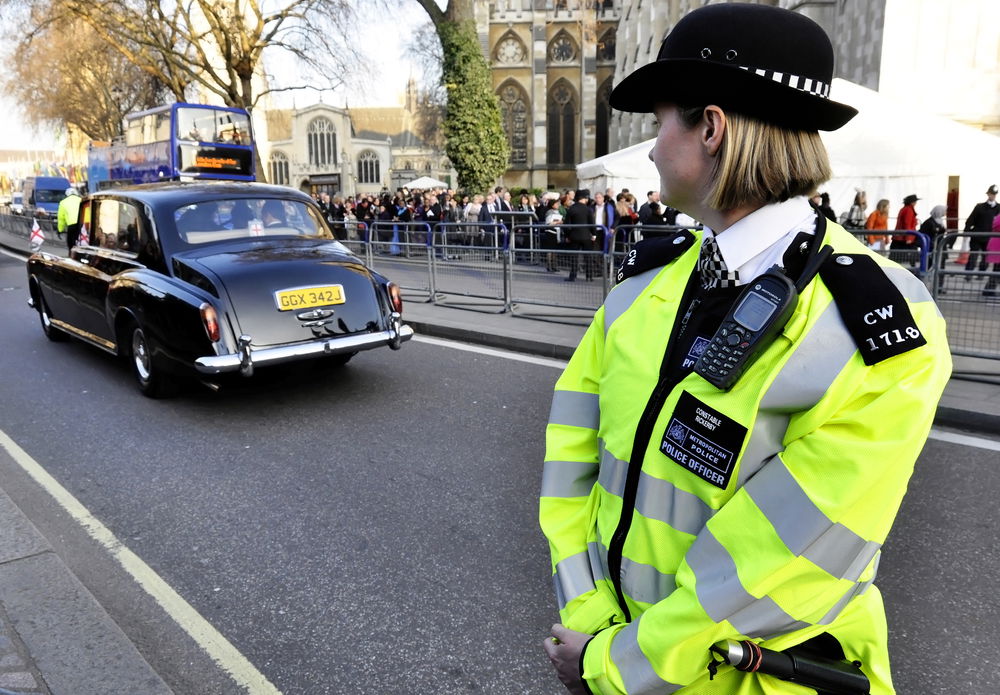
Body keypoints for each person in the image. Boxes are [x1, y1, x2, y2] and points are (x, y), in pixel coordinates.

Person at [539, 5, 951, 695]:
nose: (648, 148)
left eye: (660, 121)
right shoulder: (642, 288)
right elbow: (569, 467)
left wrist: (612, 662)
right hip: (611, 649)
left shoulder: (883, 327)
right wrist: (595, 620)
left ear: (712, 128)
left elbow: (773, 562)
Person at [963, 184, 999, 274]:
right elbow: (970, 220)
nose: (992, 196)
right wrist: (966, 232)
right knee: (973, 255)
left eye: (993, 194)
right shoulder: (979, 207)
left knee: (985, 257)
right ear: (988, 194)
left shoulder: (998, 208)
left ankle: (981, 273)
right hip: (977, 236)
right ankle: (968, 273)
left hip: (990, 237)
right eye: (990, 194)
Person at [563, 189, 596, 281]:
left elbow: (566, 224)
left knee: (574, 257)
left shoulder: (571, 208)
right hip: (586, 236)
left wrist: (567, 236)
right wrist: (594, 234)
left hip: (574, 236)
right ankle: (589, 276)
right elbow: (592, 223)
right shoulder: (588, 209)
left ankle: (572, 276)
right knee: (588, 257)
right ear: (585, 198)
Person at [891, 194, 920, 266]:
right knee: (908, 257)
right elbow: (907, 224)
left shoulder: (905, 209)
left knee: (896, 257)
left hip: (900, 237)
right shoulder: (908, 210)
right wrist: (909, 238)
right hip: (903, 238)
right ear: (912, 202)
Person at [983, 212, 1000, 297]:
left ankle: (989, 289)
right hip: (997, 247)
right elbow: (996, 227)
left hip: (996, 247)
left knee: (997, 270)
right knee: (997, 270)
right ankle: (988, 289)